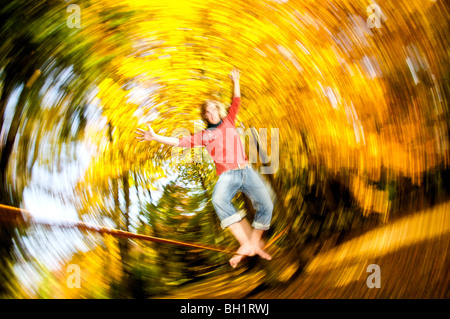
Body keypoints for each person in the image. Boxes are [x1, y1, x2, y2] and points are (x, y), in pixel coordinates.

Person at [135, 68, 273, 268]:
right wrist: (155, 137)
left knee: (266, 205)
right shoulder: (204, 136)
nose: (211, 114)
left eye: (213, 110)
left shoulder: (229, 121)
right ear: (205, 116)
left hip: (246, 170)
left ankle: (253, 243)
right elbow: (180, 142)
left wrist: (235, 80)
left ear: (218, 110)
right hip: (228, 175)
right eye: (207, 112)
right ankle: (246, 243)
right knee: (219, 199)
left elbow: (236, 101)